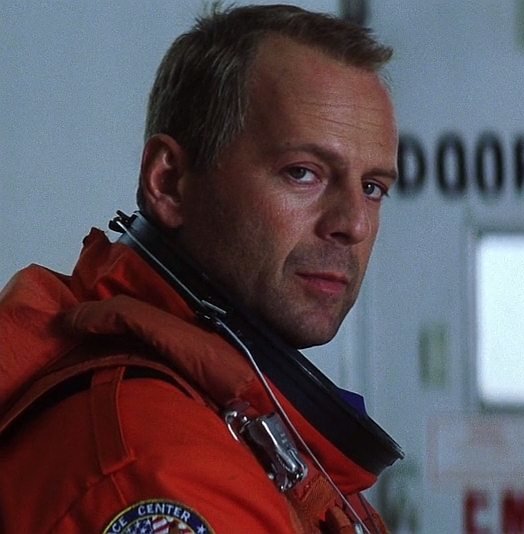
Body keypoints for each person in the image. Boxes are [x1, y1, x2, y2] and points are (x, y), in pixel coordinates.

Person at [0, 5, 403, 532]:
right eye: (302, 173)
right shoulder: (161, 466)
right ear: (168, 183)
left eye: (372, 187)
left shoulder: (231, 421)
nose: (353, 223)